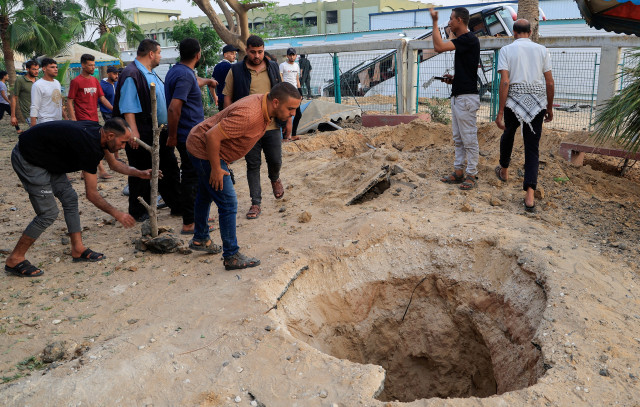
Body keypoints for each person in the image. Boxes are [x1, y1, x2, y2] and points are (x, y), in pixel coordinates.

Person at [4, 118, 153, 277]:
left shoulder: (99, 134)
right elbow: (92, 194)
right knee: (48, 213)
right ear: (110, 136)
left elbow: (114, 165)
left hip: (48, 157)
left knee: (70, 198)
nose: (123, 147)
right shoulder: (89, 147)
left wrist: (140, 173)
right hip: (28, 157)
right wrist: (118, 214)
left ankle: (77, 248)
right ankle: (15, 258)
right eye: (122, 142)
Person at [186, 82, 301, 269]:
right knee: (228, 202)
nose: (293, 114)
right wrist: (216, 168)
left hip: (207, 147)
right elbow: (212, 136)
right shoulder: (250, 115)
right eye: (290, 109)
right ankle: (231, 256)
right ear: (276, 102)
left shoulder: (264, 104)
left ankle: (200, 238)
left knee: (206, 193)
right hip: (204, 149)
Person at [113, 39, 181, 222]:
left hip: (158, 131)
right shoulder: (131, 74)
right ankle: (139, 212)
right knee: (141, 173)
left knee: (168, 168)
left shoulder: (149, 73)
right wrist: (133, 135)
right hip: (143, 133)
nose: (160, 56)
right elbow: (128, 108)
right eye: (159, 53)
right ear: (151, 54)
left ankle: (176, 204)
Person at [223, 35, 287, 220]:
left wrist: (286, 118)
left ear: (263, 49)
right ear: (246, 51)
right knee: (253, 164)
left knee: (275, 160)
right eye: (253, 52)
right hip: (248, 128)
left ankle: (275, 178)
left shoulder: (273, 67)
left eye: (260, 52)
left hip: (272, 125)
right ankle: (255, 203)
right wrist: (229, 124)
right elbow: (228, 98)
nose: (257, 55)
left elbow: (281, 93)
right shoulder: (235, 71)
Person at [494, 19, 554, 213]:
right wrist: (549, 107)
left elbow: (505, 82)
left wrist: (501, 111)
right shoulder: (543, 50)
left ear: (514, 32)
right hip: (537, 103)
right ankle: (529, 196)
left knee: (508, 134)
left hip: (513, 101)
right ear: (530, 31)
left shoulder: (506, 50)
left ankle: (504, 170)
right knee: (532, 147)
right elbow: (550, 82)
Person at [165, 38, 218, 235]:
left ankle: (198, 214)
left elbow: (194, 82)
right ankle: (189, 222)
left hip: (188, 133)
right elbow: (174, 108)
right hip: (188, 135)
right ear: (198, 54)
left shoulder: (178, 71)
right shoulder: (185, 75)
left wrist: (209, 81)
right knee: (192, 177)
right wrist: (172, 135)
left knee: (196, 175)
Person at [430, 7, 481, 190]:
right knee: (459, 138)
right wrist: (455, 79)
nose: (449, 22)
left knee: (468, 138)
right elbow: (467, 70)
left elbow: (438, 47)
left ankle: (471, 174)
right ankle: (459, 171)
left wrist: (435, 22)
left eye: (451, 19)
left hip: (465, 98)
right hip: (461, 96)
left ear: (459, 20)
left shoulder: (467, 39)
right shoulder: (465, 41)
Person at [67, 54, 115, 179]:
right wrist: (73, 118)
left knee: (89, 145)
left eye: (94, 65)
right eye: (90, 65)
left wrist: (113, 109)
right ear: (83, 65)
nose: (93, 67)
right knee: (92, 144)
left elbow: (102, 98)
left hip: (94, 117)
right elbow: (69, 101)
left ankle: (85, 171)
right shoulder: (76, 81)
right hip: (82, 119)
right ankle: (102, 170)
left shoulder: (94, 80)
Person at [30, 58, 67, 126]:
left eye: (56, 67)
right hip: (45, 121)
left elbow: (59, 103)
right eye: (52, 67)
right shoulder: (38, 85)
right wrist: (33, 126)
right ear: (44, 69)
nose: (56, 69)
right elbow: (34, 106)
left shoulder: (57, 83)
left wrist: (65, 118)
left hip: (58, 121)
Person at [279, 48, 302, 141]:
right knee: (286, 114)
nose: (292, 57)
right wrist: (285, 89)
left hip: (295, 92)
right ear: (287, 56)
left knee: (298, 114)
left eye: (293, 55)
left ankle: (293, 134)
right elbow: (281, 78)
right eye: (290, 55)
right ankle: (285, 136)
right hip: (287, 92)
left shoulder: (296, 65)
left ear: (296, 56)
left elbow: (297, 79)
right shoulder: (283, 65)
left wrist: (300, 92)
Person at [11, 60, 39, 133]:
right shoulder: (20, 80)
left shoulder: (38, 80)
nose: (36, 71)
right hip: (28, 113)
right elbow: (14, 98)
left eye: (37, 69)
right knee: (37, 132)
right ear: (27, 69)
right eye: (34, 69)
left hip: (41, 112)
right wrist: (13, 116)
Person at [212, 44, 238, 112]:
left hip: (220, 100)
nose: (234, 56)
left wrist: (215, 97)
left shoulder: (217, 67)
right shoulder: (232, 68)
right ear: (225, 54)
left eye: (235, 54)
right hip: (230, 101)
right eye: (232, 53)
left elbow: (211, 84)